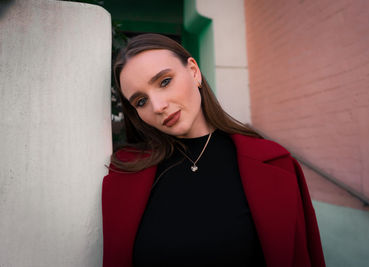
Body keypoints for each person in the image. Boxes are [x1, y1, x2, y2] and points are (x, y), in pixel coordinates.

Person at [102, 33, 325, 267]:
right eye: (140, 101)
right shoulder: (124, 179)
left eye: (165, 81)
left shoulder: (275, 163)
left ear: (194, 71)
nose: (158, 106)